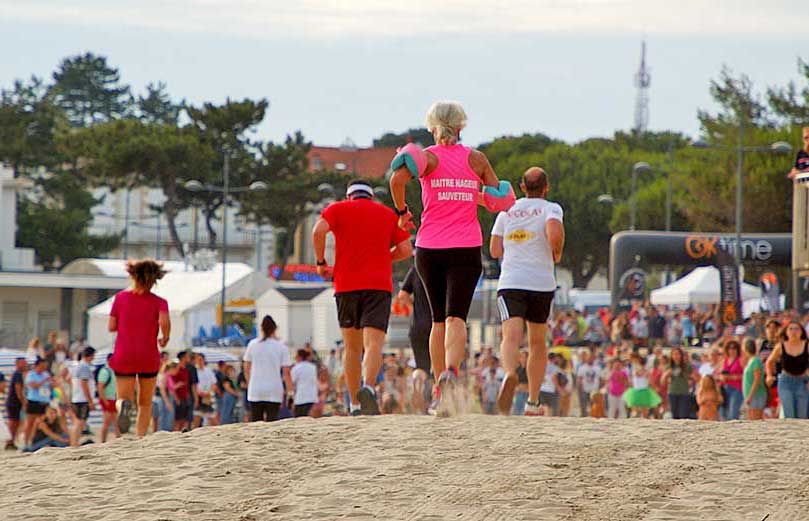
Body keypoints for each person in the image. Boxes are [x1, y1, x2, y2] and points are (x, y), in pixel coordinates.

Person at [389, 101, 513, 414]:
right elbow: (498, 199)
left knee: (437, 321)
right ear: (461, 127)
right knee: (457, 317)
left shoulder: (426, 158)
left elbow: (396, 181)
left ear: (433, 127)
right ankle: (450, 373)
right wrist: (473, 196)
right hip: (466, 246)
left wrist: (403, 213)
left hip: (429, 247)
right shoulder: (477, 159)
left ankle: (435, 390)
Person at [312, 180, 412, 416]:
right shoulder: (387, 214)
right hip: (378, 286)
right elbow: (407, 249)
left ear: (349, 196)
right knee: (374, 344)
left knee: (352, 348)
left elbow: (318, 231)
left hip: (346, 285)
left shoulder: (337, 209)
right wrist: (385, 257)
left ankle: (355, 404)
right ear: (371, 197)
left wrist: (321, 262)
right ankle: (368, 386)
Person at [489, 167, 565, 416]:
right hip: (541, 282)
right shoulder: (551, 208)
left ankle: (510, 373)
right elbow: (554, 232)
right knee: (537, 343)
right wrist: (556, 251)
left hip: (511, 281)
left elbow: (495, 250)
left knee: (510, 336)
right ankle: (532, 402)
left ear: (522, 187)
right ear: (546, 187)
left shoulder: (506, 210)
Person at [108, 259, 170, 436]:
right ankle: (141, 437)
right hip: (148, 355)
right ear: (154, 279)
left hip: (124, 354)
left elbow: (112, 326)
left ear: (133, 276)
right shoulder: (160, 302)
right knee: (145, 402)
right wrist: (165, 337)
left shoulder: (120, 298)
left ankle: (124, 407)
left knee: (122, 397)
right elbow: (164, 321)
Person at [243, 315, 293, 422]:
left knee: (256, 422)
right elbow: (286, 373)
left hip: (256, 389)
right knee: (272, 421)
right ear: (274, 329)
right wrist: (290, 392)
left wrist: (249, 383)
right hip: (274, 389)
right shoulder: (281, 347)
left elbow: (246, 368)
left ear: (261, 329)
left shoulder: (252, 344)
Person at [766, 321, 809, 419]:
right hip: (786, 381)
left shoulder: (806, 345)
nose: (794, 331)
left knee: (802, 414)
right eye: (791, 329)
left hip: (802, 381)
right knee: (789, 412)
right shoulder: (781, 346)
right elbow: (769, 362)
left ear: (802, 332)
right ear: (786, 332)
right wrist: (769, 375)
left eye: (796, 329)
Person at [397, 265, 432, 376]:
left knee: (421, 367)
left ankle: (419, 388)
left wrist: (414, 305)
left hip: (418, 326)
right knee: (438, 366)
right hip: (438, 326)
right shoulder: (445, 268)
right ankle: (438, 392)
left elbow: (402, 295)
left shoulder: (416, 269)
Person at [69, 347, 96, 447]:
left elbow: (68, 379)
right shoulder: (84, 367)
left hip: (75, 397)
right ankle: (75, 444)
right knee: (80, 423)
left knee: (77, 423)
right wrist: (90, 401)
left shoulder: (76, 366)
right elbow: (84, 384)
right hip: (82, 399)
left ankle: (73, 443)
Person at [23, 357, 53, 447]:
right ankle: (26, 442)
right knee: (30, 422)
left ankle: (36, 441)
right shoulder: (31, 375)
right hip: (34, 400)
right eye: (42, 366)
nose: (43, 368)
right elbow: (33, 385)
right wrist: (44, 381)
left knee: (41, 422)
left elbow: (50, 386)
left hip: (44, 400)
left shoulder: (46, 374)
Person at [621, 354, 661, 419]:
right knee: (635, 406)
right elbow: (634, 378)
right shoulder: (632, 367)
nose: (632, 361)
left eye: (634, 359)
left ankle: (646, 418)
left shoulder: (643, 367)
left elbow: (646, 376)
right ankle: (639, 416)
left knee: (644, 408)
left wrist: (641, 373)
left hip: (643, 389)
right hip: (636, 389)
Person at [664, 347, 695, 420]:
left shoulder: (687, 366)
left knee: (683, 415)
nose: (676, 356)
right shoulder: (669, 366)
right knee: (675, 415)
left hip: (684, 392)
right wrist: (666, 374)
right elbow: (663, 381)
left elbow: (695, 377)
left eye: (678, 354)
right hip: (672, 392)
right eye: (674, 354)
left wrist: (691, 381)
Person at [718, 340, 744, 420]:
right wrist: (721, 377)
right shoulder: (724, 360)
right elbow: (718, 373)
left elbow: (746, 375)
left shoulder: (741, 360)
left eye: (734, 348)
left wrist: (731, 377)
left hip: (736, 388)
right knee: (723, 412)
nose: (732, 350)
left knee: (733, 413)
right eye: (729, 348)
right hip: (724, 388)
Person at [5, 357, 27, 450]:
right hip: (14, 402)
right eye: (23, 363)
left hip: (14, 402)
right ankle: (9, 441)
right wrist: (23, 401)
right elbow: (18, 389)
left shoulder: (18, 374)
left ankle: (11, 441)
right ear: (17, 364)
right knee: (13, 422)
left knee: (15, 422)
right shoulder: (18, 374)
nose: (25, 365)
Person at [742, 338, 766, 420]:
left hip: (756, 394)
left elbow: (757, 380)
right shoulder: (751, 360)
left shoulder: (756, 361)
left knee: (756, 419)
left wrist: (750, 396)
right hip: (751, 394)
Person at [291, 349, 319, 418]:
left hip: (300, 398)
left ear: (300, 357)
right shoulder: (313, 367)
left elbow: (292, 382)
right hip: (312, 396)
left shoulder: (296, 368)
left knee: (299, 418)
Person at [193, 353, 218, 428]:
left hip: (208, 396)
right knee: (197, 418)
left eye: (201, 359)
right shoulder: (194, 371)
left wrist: (209, 392)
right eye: (198, 359)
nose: (200, 361)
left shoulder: (208, 370)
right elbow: (193, 384)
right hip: (198, 395)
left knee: (212, 418)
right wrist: (198, 392)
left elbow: (214, 383)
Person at [169, 353, 192, 431]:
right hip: (178, 397)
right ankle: (176, 433)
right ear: (183, 358)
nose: (189, 358)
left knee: (184, 418)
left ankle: (180, 433)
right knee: (177, 419)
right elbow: (172, 386)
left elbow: (186, 383)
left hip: (185, 396)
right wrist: (176, 398)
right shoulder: (176, 370)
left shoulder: (185, 369)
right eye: (187, 357)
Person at [576, 350, 600, 417]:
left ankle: (593, 418)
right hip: (585, 389)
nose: (590, 359)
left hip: (594, 390)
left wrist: (599, 388)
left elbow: (601, 379)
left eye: (592, 358)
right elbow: (579, 379)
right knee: (583, 406)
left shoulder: (597, 368)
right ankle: (583, 417)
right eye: (589, 358)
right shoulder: (582, 368)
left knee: (594, 406)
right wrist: (579, 388)